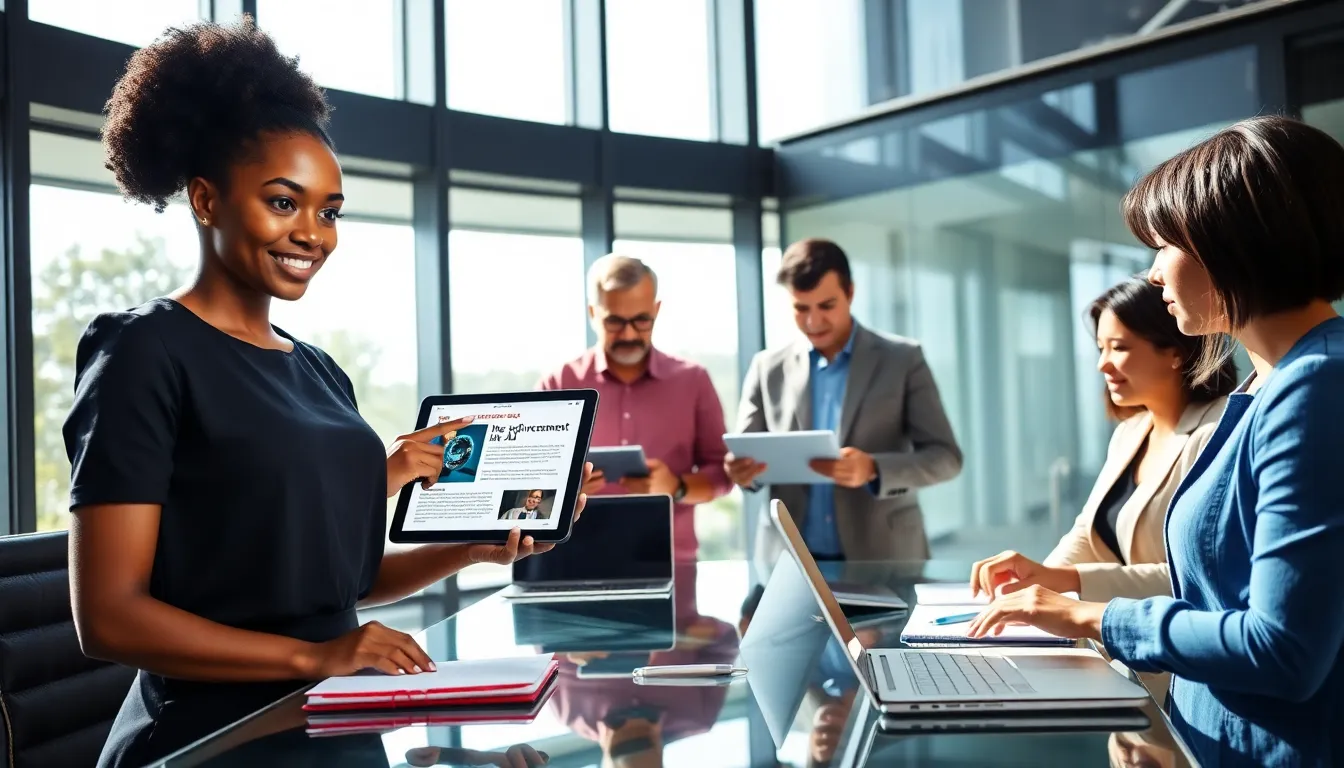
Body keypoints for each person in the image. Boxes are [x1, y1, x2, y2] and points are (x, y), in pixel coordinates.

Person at [63, 19, 588, 767]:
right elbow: (109, 619)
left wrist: (471, 547)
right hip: (211, 739)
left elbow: (334, 585)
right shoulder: (145, 350)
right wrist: (318, 658)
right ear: (206, 200)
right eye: (284, 202)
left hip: (335, 717)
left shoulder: (319, 371)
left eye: (329, 210)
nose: (314, 233)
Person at [967, 115, 1344, 767]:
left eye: (1164, 244)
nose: (1153, 273)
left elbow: (1282, 647)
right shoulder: (1272, 382)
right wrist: (1065, 586)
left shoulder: (1315, 387)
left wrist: (1090, 619)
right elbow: (1222, 580)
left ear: (1232, 244)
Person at [969, 276, 1236, 705]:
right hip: (1124, 671)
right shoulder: (1132, 431)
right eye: (1100, 349)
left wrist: (1065, 582)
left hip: (1183, 678)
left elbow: (1198, 579)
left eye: (1120, 347)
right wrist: (1032, 590)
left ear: (1174, 350)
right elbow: (1087, 534)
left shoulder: (1219, 432)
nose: (1103, 364)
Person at [728, 238, 962, 571]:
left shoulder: (903, 360)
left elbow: (946, 458)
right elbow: (747, 456)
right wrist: (742, 472)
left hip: (885, 559)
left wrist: (874, 469)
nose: (813, 321)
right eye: (801, 308)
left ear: (850, 293)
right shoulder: (767, 367)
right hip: (789, 565)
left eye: (826, 306)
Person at [538, 255, 732, 561]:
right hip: (571, 560)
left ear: (656, 310)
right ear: (592, 314)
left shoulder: (693, 380)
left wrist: (676, 487)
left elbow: (723, 473)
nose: (628, 334)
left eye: (641, 320)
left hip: (670, 560)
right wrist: (568, 487)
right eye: (614, 321)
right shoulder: (560, 382)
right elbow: (530, 482)